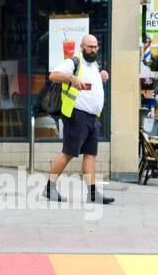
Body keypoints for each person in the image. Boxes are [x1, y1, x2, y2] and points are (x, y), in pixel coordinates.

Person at [45, 33, 113, 205]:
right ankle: (49, 187)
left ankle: (92, 193)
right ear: (82, 47)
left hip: (93, 117)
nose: (94, 49)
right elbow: (53, 75)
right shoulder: (73, 62)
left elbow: (92, 86)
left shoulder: (95, 65)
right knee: (68, 152)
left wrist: (103, 75)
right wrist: (70, 77)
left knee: (90, 154)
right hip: (77, 115)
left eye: (96, 46)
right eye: (90, 46)